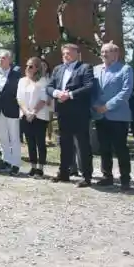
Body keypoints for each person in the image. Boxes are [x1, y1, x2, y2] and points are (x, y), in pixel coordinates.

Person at [47, 43, 95, 186]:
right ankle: (64, 172)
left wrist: (70, 95)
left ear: (77, 54)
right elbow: (49, 87)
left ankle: (86, 176)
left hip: (79, 112)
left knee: (82, 144)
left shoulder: (85, 68)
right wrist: (57, 93)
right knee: (65, 143)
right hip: (63, 112)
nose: (65, 56)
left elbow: (89, 87)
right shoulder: (58, 69)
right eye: (63, 53)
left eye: (68, 53)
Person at [92, 43, 133, 191]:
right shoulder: (96, 69)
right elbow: (93, 90)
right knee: (104, 148)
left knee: (120, 148)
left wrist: (107, 106)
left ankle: (125, 178)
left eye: (107, 52)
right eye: (102, 51)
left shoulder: (125, 69)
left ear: (116, 53)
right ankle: (107, 176)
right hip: (100, 115)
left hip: (118, 116)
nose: (103, 54)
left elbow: (126, 91)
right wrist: (96, 105)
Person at [17, 57, 50, 177]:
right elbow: (19, 99)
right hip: (25, 115)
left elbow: (43, 99)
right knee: (30, 142)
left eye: (30, 66)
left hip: (40, 116)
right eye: (27, 65)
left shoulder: (43, 81)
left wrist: (34, 112)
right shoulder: (22, 81)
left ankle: (40, 168)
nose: (27, 68)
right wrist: (26, 112)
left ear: (37, 68)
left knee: (40, 142)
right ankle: (33, 166)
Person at [0, 51, 22, 175]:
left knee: (14, 137)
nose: (0, 60)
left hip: (12, 109)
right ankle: (6, 160)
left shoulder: (17, 74)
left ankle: (15, 163)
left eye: (3, 58)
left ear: (10, 59)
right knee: (3, 138)